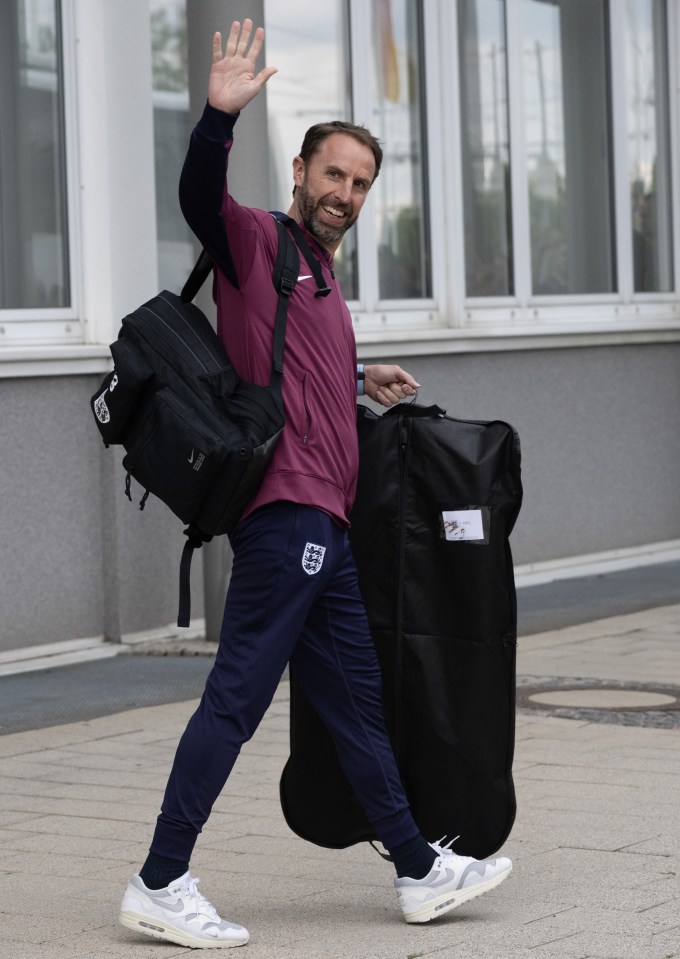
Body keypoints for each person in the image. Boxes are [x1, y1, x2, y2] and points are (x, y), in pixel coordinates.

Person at [119, 19, 512, 949]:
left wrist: (355, 377)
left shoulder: (322, 281)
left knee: (355, 698)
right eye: (333, 174)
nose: (346, 193)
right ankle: (159, 877)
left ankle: (417, 868)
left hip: (325, 526)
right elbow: (196, 199)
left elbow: (290, 376)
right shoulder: (260, 243)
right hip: (284, 512)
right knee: (237, 697)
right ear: (299, 172)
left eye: (361, 182)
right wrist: (217, 118)